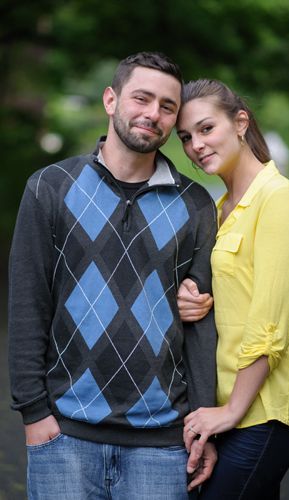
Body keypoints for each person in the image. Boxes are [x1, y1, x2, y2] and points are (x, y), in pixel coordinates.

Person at [7, 52, 219, 499]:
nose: (153, 114)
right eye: (141, 98)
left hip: (162, 444)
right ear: (110, 99)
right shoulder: (50, 188)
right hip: (64, 435)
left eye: (167, 106)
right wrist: (34, 415)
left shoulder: (196, 205)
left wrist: (203, 426)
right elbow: (28, 305)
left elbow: (201, 328)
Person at [173, 79, 289, 498]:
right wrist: (191, 298)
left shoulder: (278, 197)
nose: (196, 145)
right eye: (185, 137)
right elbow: (232, 293)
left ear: (240, 122)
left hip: (265, 407)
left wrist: (231, 411)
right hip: (229, 403)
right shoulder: (219, 209)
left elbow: (269, 320)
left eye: (205, 129)